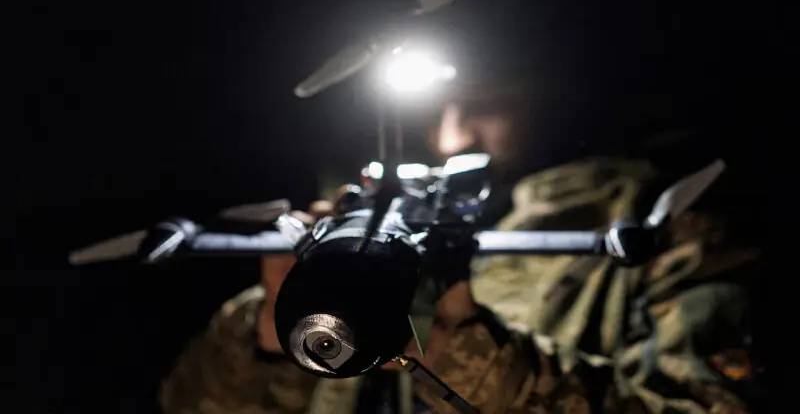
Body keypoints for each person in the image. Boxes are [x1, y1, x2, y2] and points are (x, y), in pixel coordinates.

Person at [158, 72, 761, 413]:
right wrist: (268, 332)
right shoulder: (350, 252)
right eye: (433, 107)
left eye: (488, 100)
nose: (452, 134)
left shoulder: (661, 235)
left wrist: (461, 345)